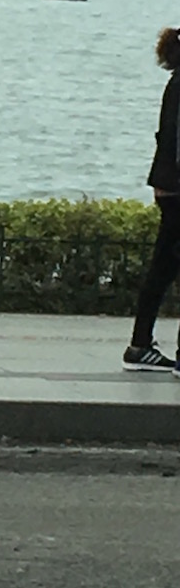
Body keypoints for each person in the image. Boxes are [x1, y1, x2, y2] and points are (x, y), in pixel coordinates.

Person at [124, 26, 180, 371]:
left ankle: (140, 345)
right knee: (163, 267)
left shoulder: (175, 83)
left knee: (162, 268)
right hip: (177, 186)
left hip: (168, 187)